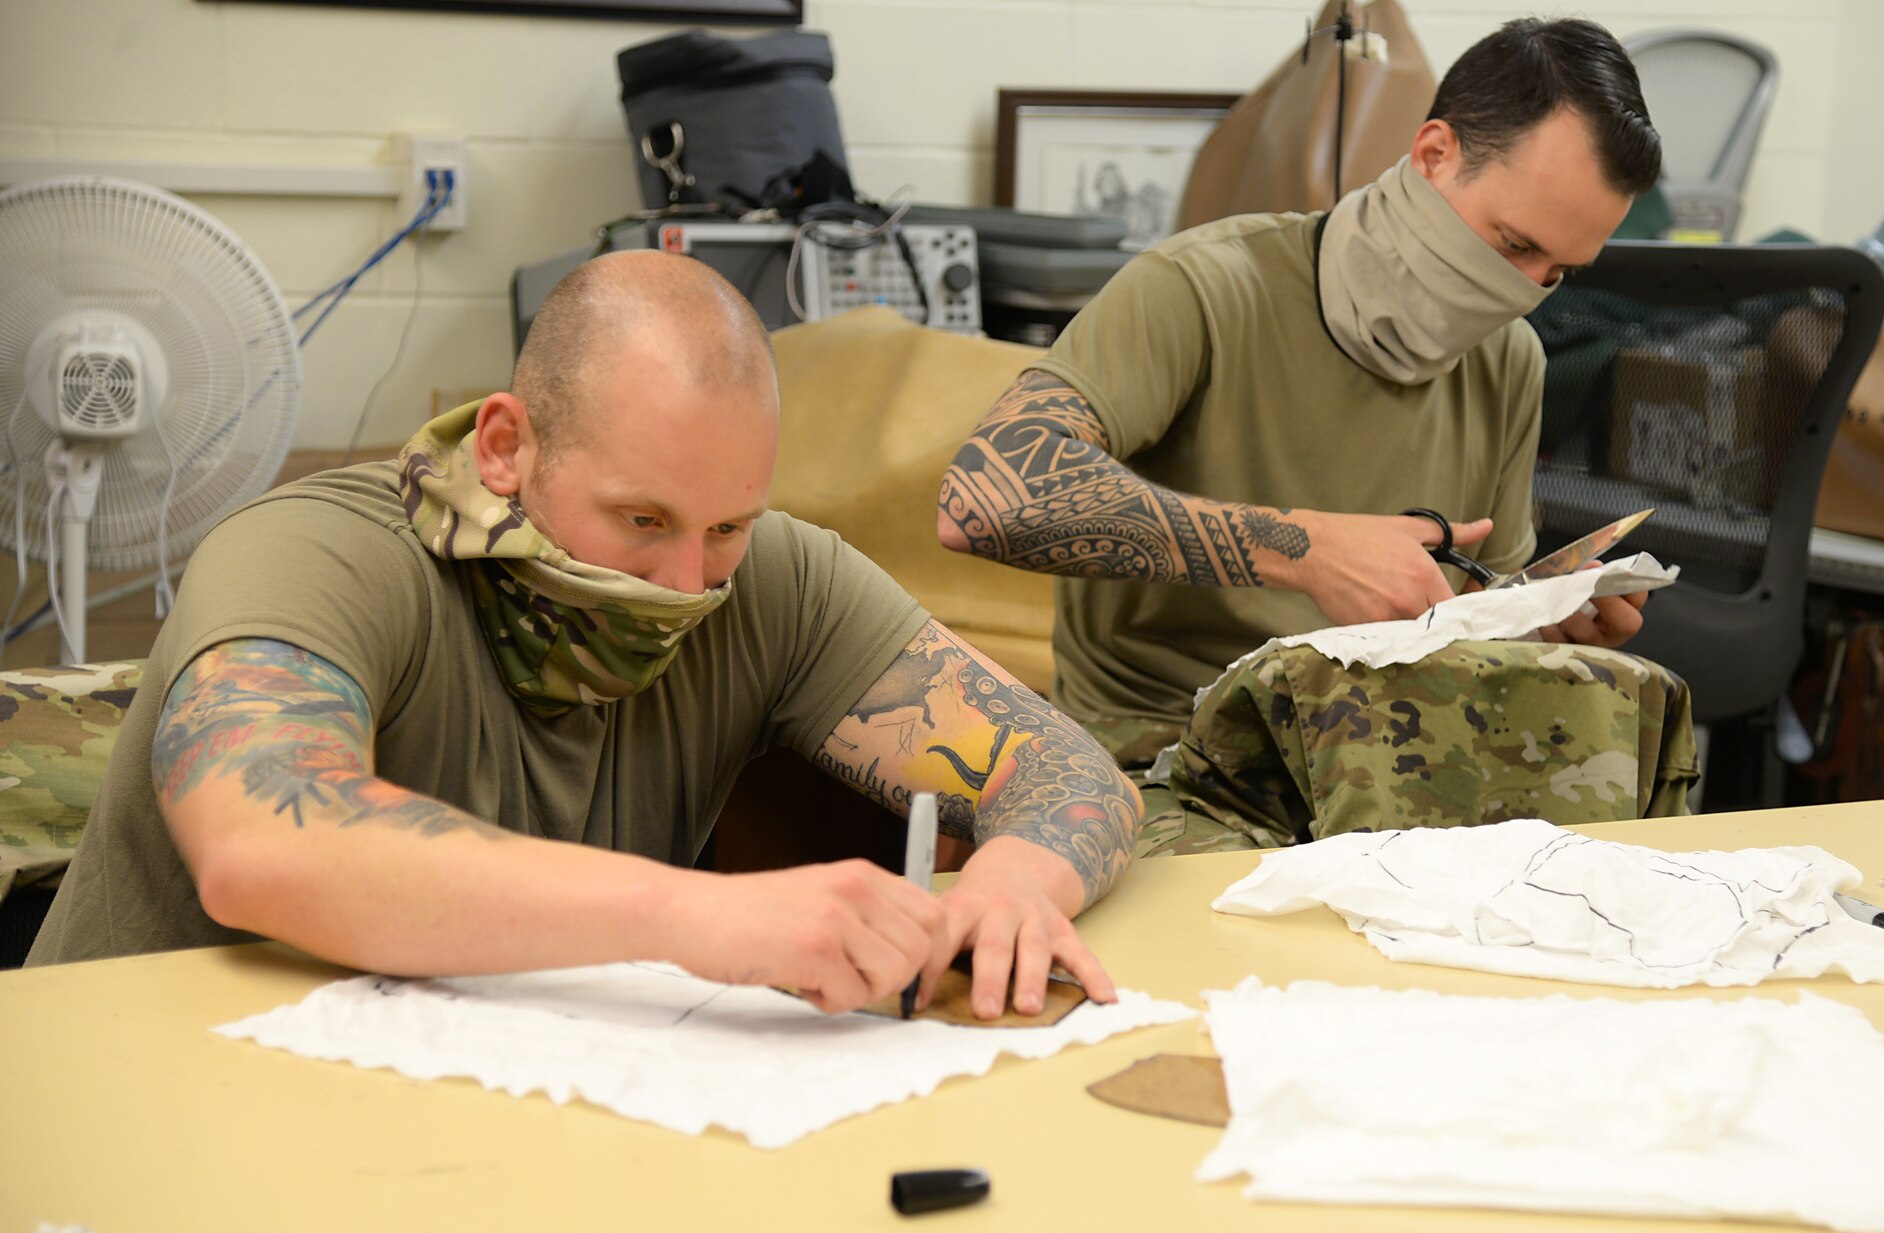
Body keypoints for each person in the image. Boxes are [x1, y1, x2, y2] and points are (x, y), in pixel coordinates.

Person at [29, 250, 1140, 1024]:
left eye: (726, 527)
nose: (682, 582)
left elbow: (1064, 769)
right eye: (640, 520)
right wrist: (698, 917)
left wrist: (1009, 887)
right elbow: (265, 847)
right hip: (146, 1089)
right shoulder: (315, 552)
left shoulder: (775, 580)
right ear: (508, 448)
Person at [937, 17, 1665, 770]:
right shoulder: (1204, 289)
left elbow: (1477, 624)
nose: (1521, 291)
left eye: (1556, 272)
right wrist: (1300, 550)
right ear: (1435, 155)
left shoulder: (1510, 358)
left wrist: (1546, 622)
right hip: (1175, 751)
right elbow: (983, 498)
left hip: (1390, 753)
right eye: (1514, 244)